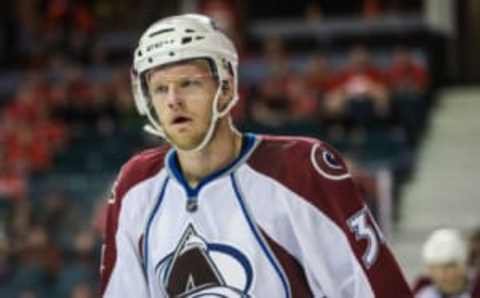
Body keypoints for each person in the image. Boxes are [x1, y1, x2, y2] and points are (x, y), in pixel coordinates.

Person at [99, 14, 412, 297]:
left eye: (189, 84)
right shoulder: (135, 186)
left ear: (225, 86)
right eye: (159, 89)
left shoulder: (300, 170)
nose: (173, 101)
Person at [413, 228, 480, 298]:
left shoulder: (476, 289)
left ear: (462, 266)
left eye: (448, 267)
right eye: (434, 268)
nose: (441, 274)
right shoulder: (422, 293)